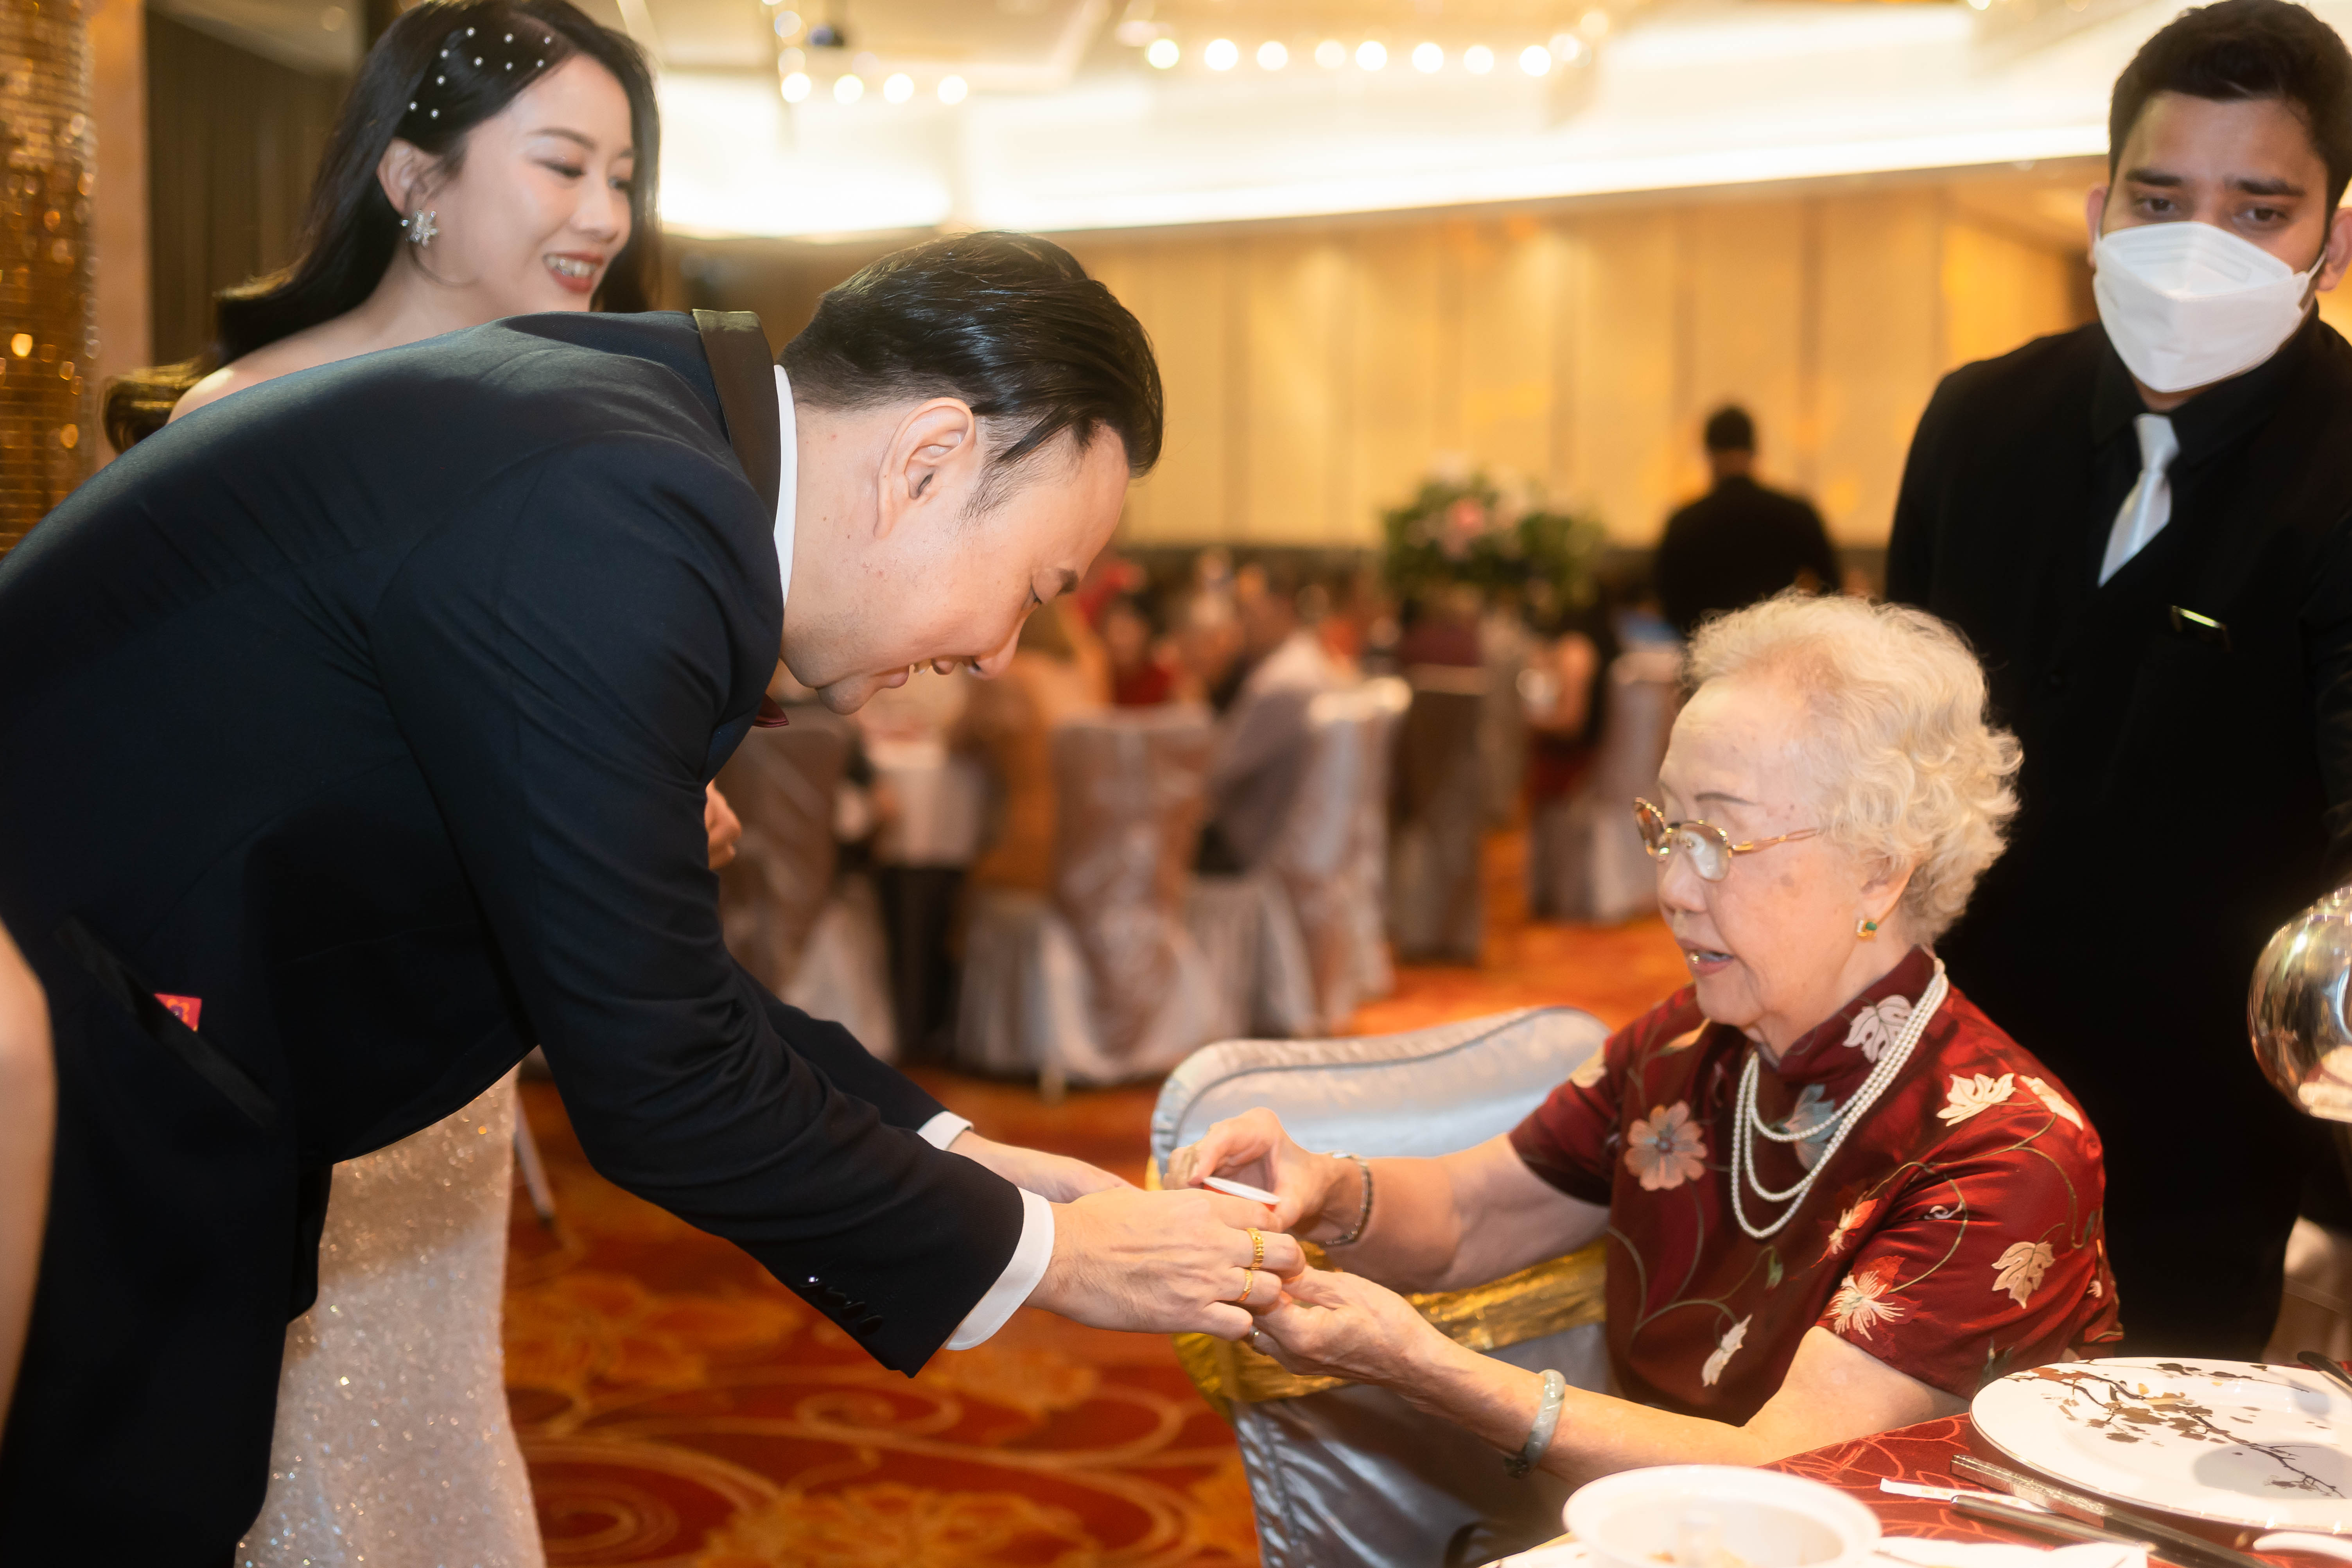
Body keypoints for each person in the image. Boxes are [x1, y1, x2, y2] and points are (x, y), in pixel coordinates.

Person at [0, 231, 1306, 1560]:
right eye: (1031, 590)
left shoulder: (645, 442)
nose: (997, 656)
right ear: (926, 461)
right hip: (81, 1053)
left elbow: (646, 974)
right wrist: (1054, 1261)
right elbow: (662, 1071)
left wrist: (968, 1159)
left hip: (130, 1023)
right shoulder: (622, 512)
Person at [102, 8, 681, 1557]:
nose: (605, 216)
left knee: (430, 1401)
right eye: (563, 163)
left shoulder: (560, 430)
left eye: (624, 176)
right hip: (278, 1023)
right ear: (414, 179)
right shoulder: (244, 425)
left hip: (454, 1041)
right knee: (287, 1425)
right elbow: (194, 784)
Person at [1171, 594, 2120, 1482]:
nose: (1670, 886)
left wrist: (1427, 1366)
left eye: (1718, 840)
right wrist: (1325, 1185)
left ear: (1878, 870)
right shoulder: (1687, 1043)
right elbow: (1473, 1212)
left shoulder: (2006, 1151)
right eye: (1666, 826)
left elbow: (1786, 1470)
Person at [1885, 0, 2352, 1356]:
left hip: (2195, 1117)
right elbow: (1891, 727)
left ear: (2331, 241)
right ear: (2099, 213)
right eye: (2160, 200)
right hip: (1938, 1068)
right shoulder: (1978, 418)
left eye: (2257, 211)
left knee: (2132, 1429)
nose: (2198, 245)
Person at [1198, 563, 1345, 874]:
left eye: (1247, 609)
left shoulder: (1281, 682)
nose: (1240, 623)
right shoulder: (1306, 660)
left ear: (1281, 606)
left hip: (1252, 850)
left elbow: (1215, 772)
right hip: (1292, 839)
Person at [1652, 405, 1839, 640]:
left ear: (1708, 453)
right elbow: (1832, 590)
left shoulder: (1683, 523)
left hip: (1707, 649)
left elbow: (1668, 602)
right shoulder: (1796, 512)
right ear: (1755, 450)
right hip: (1777, 644)